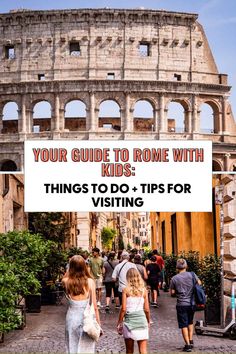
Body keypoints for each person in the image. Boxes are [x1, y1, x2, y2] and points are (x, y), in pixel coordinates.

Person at [62, 255, 101, 354]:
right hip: (86, 319)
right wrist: (99, 325)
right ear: (84, 266)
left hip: (71, 318)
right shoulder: (90, 282)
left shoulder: (66, 282)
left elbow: (65, 276)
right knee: (87, 349)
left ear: (71, 267)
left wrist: (70, 267)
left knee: (71, 346)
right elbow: (95, 307)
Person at [170, 258, 201, 353]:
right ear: (186, 266)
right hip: (192, 303)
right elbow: (199, 283)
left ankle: (187, 345)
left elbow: (172, 293)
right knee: (190, 322)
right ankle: (191, 340)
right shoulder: (192, 275)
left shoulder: (174, 278)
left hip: (181, 304)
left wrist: (177, 292)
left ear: (177, 267)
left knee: (183, 324)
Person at [117, 268, 150, 354]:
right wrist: (148, 321)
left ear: (128, 277)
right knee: (143, 350)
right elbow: (146, 309)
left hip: (129, 321)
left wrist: (119, 322)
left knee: (129, 350)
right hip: (141, 320)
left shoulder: (125, 290)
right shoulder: (144, 291)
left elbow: (123, 309)